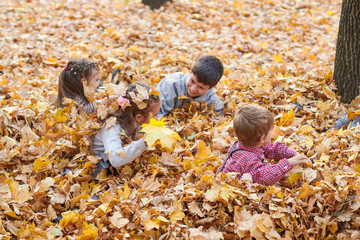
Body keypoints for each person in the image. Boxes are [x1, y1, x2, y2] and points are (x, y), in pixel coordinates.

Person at [218, 104, 311, 185]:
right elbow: (265, 177)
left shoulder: (250, 143)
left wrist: (294, 154)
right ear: (262, 138)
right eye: (271, 130)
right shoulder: (248, 158)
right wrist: (289, 163)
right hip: (231, 187)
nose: (272, 132)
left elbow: (272, 149)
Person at [91, 82, 161, 177]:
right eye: (155, 114)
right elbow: (115, 159)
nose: (157, 118)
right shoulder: (112, 126)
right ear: (139, 118)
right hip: (99, 165)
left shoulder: (133, 119)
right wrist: (143, 142)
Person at [156, 55, 224, 117]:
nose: (193, 89)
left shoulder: (210, 98)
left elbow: (218, 116)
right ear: (190, 72)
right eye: (192, 81)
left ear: (211, 88)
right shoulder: (171, 84)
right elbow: (155, 114)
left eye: (200, 87)